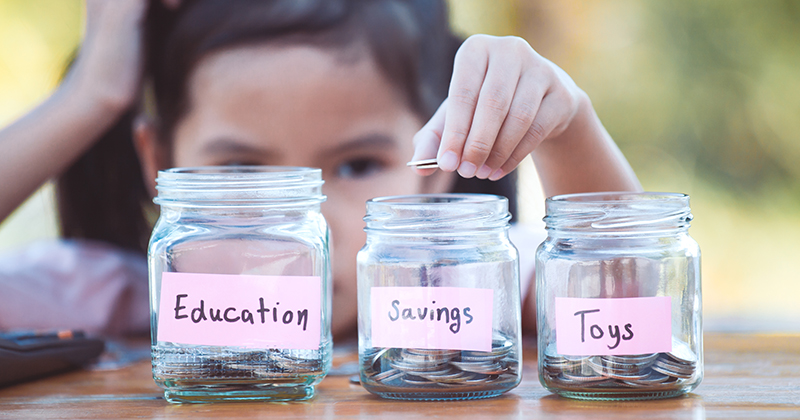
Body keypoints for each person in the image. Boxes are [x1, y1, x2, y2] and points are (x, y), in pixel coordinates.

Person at [0, 0, 641, 338]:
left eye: (358, 163)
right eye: (243, 171)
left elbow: (628, 296)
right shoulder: (113, 299)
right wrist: (88, 99)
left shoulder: (465, 285)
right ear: (161, 165)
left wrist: (569, 126)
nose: (299, 226)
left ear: (435, 161)